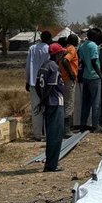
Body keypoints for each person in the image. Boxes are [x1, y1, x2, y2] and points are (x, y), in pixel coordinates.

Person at [36, 42, 66, 172]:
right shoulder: (54, 66)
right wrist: (44, 99)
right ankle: (52, 165)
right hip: (55, 102)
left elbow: (37, 85)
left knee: (50, 134)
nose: (62, 55)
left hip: (48, 103)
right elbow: (51, 85)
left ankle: (50, 163)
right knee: (56, 135)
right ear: (57, 54)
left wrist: (42, 99)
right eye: (61, 53)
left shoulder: (44, 65)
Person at [25, 30, 52, 140]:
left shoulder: (32, 48)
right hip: (46, 83)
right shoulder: (49, 49)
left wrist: (27, 81)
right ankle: (46, 133)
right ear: (49, 39)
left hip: (33, 82)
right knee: (47, 108)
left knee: (36, 108)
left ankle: (37, 134)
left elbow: (28, 66)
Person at [78, 28, 102, 132]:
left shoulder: (82, 46)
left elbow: (82, 61)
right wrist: (101, 77)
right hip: (94, 77)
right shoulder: (94, 46)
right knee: (96, 102)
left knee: (85, 102)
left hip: (86, 76)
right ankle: (95, 126)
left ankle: (83, 124)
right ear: (94, 36)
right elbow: (94, 61)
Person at [59, 35, 79, 137]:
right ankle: (66, 130)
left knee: (64, 104)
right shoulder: (72, 49)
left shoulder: (65, 49)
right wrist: (71, 74)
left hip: (62, 79)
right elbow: (65, 61)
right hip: (68, 80)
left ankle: (63, 128)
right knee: (69, 104)